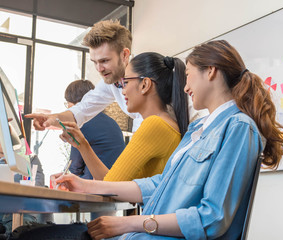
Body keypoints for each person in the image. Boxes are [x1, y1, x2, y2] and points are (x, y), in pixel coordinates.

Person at [11, 40, 283, 240]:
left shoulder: (237, 128)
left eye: (190, 76)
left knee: (24, 235)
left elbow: (212, 219)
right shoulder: (199, 128)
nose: (185, 87)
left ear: (211, 72)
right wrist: (86, 184)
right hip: (140, 234)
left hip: (146, 235)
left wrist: (125, 224)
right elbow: (159, 185)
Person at [25, 20, 196, 134]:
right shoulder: (111, 81)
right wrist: (52, 119)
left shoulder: (156, 74)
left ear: (124, 54)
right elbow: (83, 109)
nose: (99, 68)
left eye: (105, 61)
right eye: (94, 62)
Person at [60, 52, 189, 181]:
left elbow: (111, 185)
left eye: (125, 82)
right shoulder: (165, 123)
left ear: (145, 84)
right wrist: (82, 145)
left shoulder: (154, 125)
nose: (122, 91)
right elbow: (113, 182)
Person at [64, 79, 125, 179]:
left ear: (76, 103)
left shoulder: (81, 123)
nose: (67, 107)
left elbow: (75, 167)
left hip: (95, 184)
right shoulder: (113, 123)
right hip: (118, 182)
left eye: (68, 102)